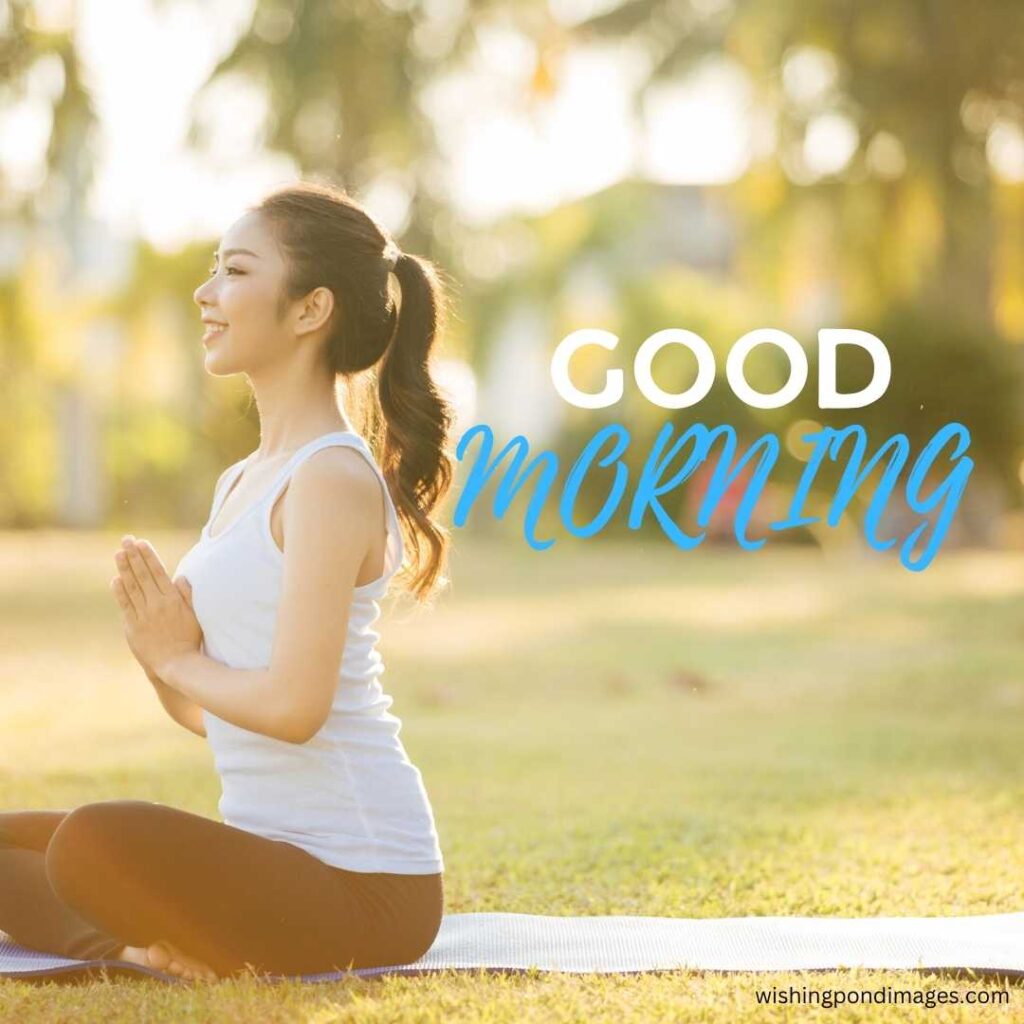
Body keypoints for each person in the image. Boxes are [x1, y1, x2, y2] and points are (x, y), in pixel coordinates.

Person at [0, 181, 455, 982]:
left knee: (91, 843)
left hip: (368, 887)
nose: (207, 293)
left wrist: (178, 658)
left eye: (236, 272)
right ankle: (143, 949)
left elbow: (293, 709)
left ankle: (125, 945)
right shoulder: (244, 479)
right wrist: (155, 653)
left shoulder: (331, 480)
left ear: (310, 309)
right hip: (274, 862)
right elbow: (221, 720)